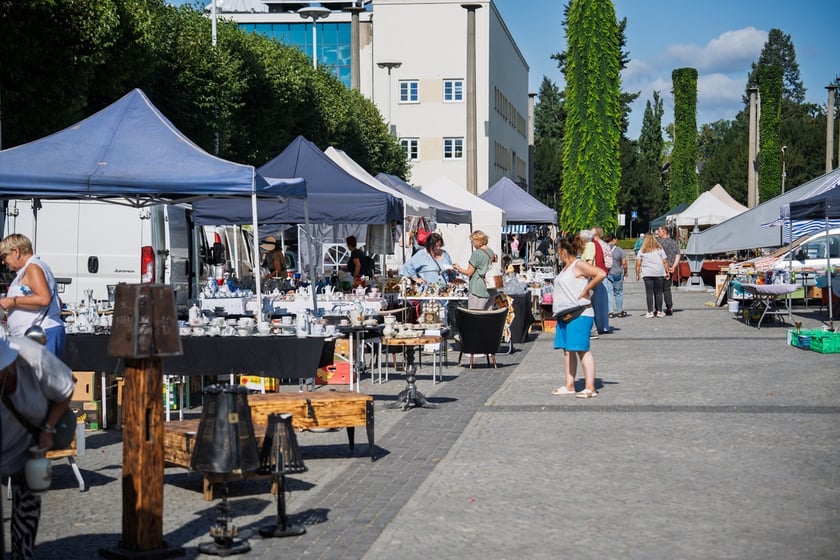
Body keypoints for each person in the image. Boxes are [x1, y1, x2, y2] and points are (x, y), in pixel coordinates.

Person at [0, 331, 75, 560]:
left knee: (28, 507)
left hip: (28, 441)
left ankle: (22, 554)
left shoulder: (34, 358)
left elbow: (66, 388)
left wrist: (48, 429)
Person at [550, 233, 605, 399]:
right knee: (567, 351)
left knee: (582, 350)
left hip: (580, 313)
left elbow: (600, 273)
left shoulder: (578, 265)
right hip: (565, 314)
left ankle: (590, 387)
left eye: (558, 250)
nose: (557, 253)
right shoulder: (566, 268)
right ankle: (570, 384)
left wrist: (587, 289)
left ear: (564, 252)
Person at [0, 234, 66, 358]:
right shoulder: (34, 267)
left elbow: (44, 299)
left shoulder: (33, 268)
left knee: (42, 376)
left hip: (42, 334)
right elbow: (57, 302)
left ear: (16, 252)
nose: (3, 262)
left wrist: (12, 302)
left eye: (4, 256)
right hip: (38, 334)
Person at [452, 230, 496, 310]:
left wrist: (458, 268)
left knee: (475, 317)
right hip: (491, 288)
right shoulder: (491, 252)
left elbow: (469, 272)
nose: (472, 244)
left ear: (476, 241)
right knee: (488, 318)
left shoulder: (477, 253)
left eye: (472, 241)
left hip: (478, 289)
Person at [580, 229, 611, 335]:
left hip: (590, 278)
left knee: (588, 303)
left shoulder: (589, 246)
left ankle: (592, 329)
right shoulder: (594, 244)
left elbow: (589, 262)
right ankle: (596, 327)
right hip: (593, 277)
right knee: (593, 303)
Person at [635, 233, 670, 318]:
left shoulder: (642, 250)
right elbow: (665, 261)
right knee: (659, 293)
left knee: (649, 293)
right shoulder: (659, 249)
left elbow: (638, 264)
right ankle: (659, 311)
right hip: (659, 273)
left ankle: (650, 311)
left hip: (647, 273)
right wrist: (667, 271)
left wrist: (637, 274)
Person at [656, 226, 681, 315]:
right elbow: (677, 255)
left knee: (658, 289)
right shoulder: (674, 243)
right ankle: (669, 307)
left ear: (663, 232)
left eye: (659, 231)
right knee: (667, 289)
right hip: (670, 268)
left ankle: (658, 308)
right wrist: (674, 266)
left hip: (659, 268)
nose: (658, 233)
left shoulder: (658, 243)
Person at [606, 234, 628, 317]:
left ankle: (610, 312)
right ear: (614, 239)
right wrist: (625, 271)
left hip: (608, 273)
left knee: (609, 293)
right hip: (617, 273)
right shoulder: (619, 250)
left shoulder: (605, 249)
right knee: (618, 293)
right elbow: (624, 263)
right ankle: (619, 311)